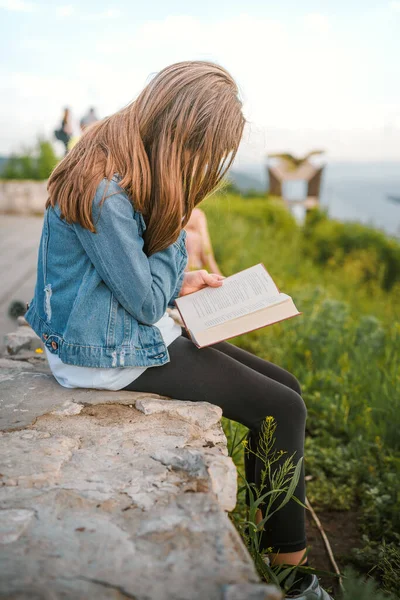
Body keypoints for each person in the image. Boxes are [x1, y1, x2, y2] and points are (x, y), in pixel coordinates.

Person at [25, 61, 332, 600]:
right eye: (203, 152)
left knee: (286, 388)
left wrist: (180, 283)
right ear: (180, 134)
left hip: (113, 332)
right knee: (283, 411)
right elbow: (143, 305)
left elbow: (124, 280)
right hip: (108, 353)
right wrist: (179, 225)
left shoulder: (114, 157)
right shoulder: (107, 190)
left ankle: (272, 531)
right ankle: (296, 580)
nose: (204, 166)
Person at [185, 207, 222, 274]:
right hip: (189, 275)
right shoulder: (196, 215)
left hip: (193, 273)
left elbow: (207, 254)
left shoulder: (196, 215)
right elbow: (207, 255)